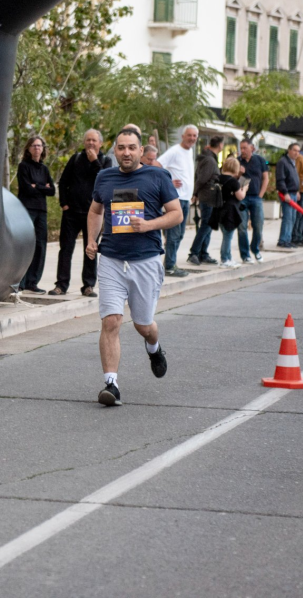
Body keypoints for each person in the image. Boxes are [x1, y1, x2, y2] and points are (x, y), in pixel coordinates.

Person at [85, 127, 181, 407]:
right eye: (121, 147)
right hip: (112, 259)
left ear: (141, 151)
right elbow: (95, 210)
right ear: (114, 151)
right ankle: (111, 384)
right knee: (111, 321)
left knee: (143, 325)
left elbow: (177, 214)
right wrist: (91, 239)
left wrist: (149, 224)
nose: (126, 152)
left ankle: (154, 347)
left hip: (146, 260)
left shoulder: (157, 176)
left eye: (131, 147)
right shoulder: (105, 177)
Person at [52, 129, 111, 297]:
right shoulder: (76, 159)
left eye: (94, 140)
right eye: (88, 140)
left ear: (100, 143)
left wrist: (94, 162)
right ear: (84, 142)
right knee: (66, 249)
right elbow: (63, 182)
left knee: (91, 248)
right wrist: (64, 204)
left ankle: (88, 285)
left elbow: (105, 180)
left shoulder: (105, 161)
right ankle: (61, 285)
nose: (90, 143)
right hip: (72, 213)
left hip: (94, 214)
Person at [156, 125, 198, 277]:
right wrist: (168, 183)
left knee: (179, 235)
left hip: (186, 198)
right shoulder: (174, 151)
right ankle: (169, 267)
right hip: (176, 200)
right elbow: (157, 164)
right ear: (183, 135)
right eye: (189, 135)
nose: (192, 138)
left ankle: (170, 262)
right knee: (174, 234)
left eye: (194, 136)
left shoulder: (190, 151)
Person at [16, 136, 55, 294]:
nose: (37, 148)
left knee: (40, 245)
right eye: (34, 146)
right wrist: (42, 187)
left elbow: (52, 190)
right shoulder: (23, 166)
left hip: (41, 210)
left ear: (43, 149)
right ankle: (20, 281)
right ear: (28, 149)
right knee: (26, 244)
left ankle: (33, 282)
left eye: (39, 146)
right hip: (27, 209)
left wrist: (36, 185)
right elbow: (26, 189)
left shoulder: (44, 169)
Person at [187, 135, 224, 266]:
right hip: (208, 196)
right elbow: (201, 179)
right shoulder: (210, 160)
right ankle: (194, 252)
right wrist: (195, 193)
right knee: (206, 225)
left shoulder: (209, 158)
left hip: (209, 196)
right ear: (220, 145)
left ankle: (203, 253)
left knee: (208, 225)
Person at [209, 156, 247, 267]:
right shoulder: (234, 182)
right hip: (230, 212)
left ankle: (229, 258)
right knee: (228, 236)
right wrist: (244, 189)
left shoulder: (218, 179)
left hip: (218, 210)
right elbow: (240, 197)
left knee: (226, 234)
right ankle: (225, 259)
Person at [237, 140, 269, 264]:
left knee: (258, 225)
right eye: (241, 148)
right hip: (241, 197)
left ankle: (255, 249)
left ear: (252, 148)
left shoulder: (260, 160)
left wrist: (260, 195)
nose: (242, 151)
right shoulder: (237, 161)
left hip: (256, 197)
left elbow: (266, 178)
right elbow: (232, 178)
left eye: (245, 148)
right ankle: (245, 255)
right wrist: (239, 173)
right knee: (242, 227)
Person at [275, 143, 301, 248]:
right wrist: (285, 193)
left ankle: (288, 239)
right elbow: (281, 179)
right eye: (294, 150)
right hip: (287, 194)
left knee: (292, 218)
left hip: (293, 193)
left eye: (298, 151)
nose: (296, 153)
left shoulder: (292, 162)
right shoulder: (283, 162)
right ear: (289, 150)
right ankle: (283, 240)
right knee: (288, 218)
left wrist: (297, 191)